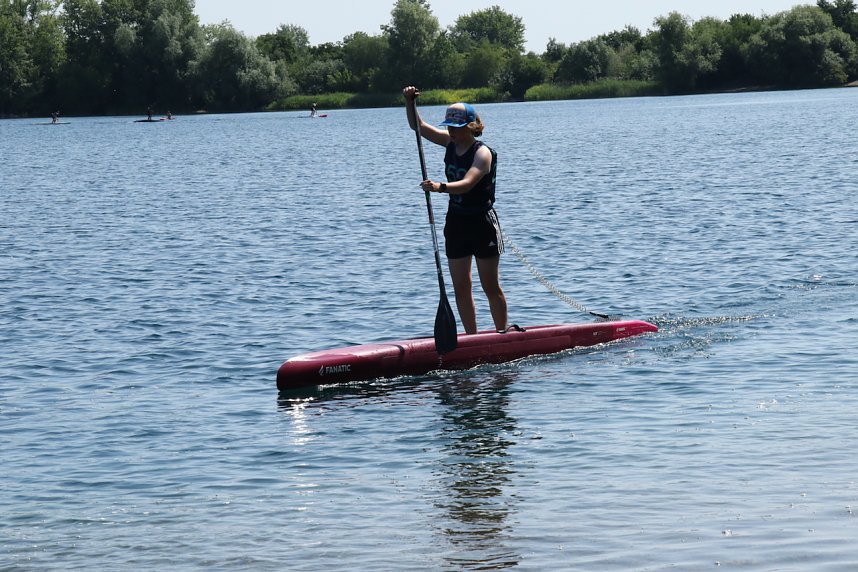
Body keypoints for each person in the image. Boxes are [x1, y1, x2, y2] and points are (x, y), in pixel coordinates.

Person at [403, 85, 515, 335]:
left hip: (482, 224)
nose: (450, 131)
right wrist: (409, 102)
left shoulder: (482, 153)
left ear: (469, 126)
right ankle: (471, 339)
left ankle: (502, 334)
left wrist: (439, 187)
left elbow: (466, 184)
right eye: (449, 127)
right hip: (456, 223)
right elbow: (418, 127)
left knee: (490, 286)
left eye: (455, 127)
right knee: (461, 288)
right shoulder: (449, 143)